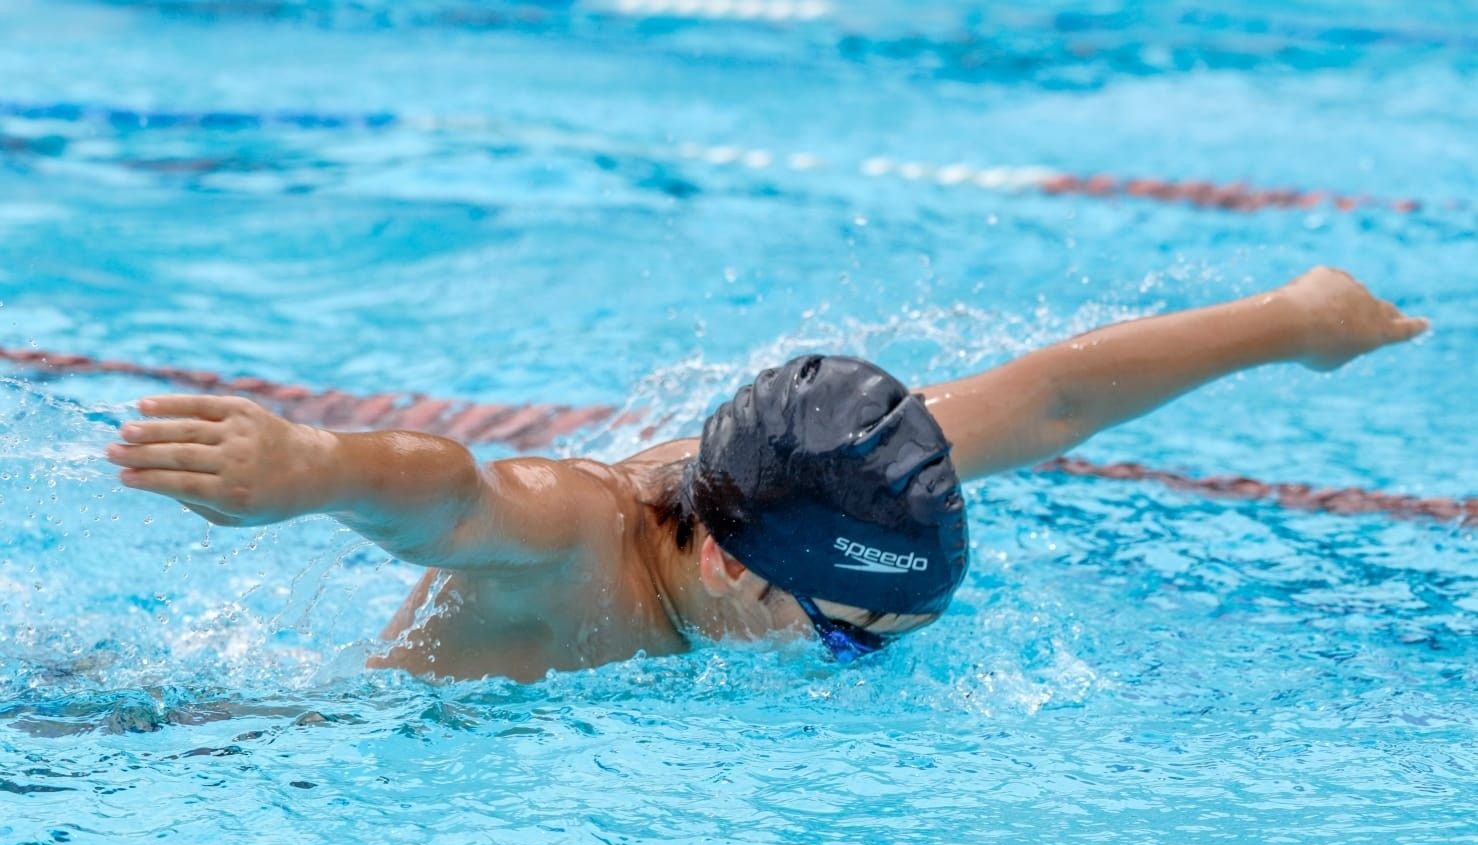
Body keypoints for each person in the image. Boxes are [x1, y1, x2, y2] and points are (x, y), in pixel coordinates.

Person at [106, 267, 1427, 681]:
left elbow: (1053, 393)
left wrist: (1294, 326)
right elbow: (457, 495)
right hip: (271, 734)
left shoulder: (838, 476)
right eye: (850, 642)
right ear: (733, 567)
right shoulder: (586, 541)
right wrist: (312, 463)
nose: (872, 653)